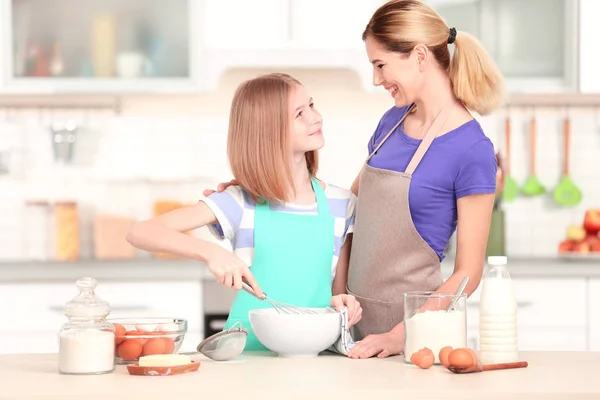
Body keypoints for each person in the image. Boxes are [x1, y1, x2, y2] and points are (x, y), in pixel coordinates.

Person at [203, 0, 504, 359]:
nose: (376, 79)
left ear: (420, 57)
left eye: (380, 65)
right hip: (350, 327)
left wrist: (398, 336)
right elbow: (347, 210)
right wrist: (256, 185)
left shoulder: (472, 149)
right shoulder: (391, 122)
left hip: (414, 337)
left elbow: (468, 275)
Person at [127, 73, 362, 351]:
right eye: (300, 113)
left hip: (314, 356)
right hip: (246, 356)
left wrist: (344, 305)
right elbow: (140, 232)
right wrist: (210, 252)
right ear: (267, 131)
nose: (315, 117)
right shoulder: (240, 202)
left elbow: (338, 293)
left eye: (311, 105)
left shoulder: (342, 203)